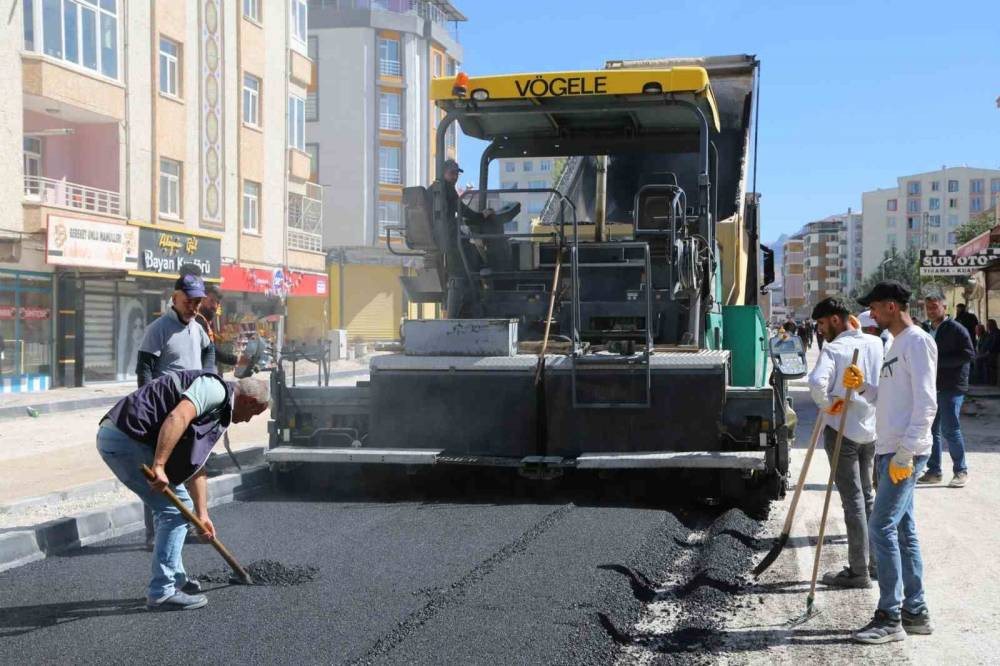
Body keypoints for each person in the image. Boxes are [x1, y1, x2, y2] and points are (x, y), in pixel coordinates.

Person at [96, 371, 269, 610]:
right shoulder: (215, 391)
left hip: (127, 437)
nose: (249, 420)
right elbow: (178, 416)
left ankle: (176, 579)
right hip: (127, 438)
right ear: (250, 402)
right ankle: (162, 592)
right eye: (254, 414)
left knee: (181, 508)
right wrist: (158, 465)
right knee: (175, 512)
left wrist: (202, 515)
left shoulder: (218, 408)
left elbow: (194, 465)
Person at [851, 280, 937, 644]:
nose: (870, 314)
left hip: (904, 452)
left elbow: (927, 402)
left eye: (872, 307)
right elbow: (890, 398)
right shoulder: (893, 344)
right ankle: (915, 612)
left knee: (880, 527)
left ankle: (890, 617)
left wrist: (907, 453)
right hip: (891, 449)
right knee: (902, 530)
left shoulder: (917, 342)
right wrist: (863, 388)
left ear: (890, 306)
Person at [135, 269, 214, 549]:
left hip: (190, 409)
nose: (193, 306)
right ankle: (153, 535)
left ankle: (196, 524)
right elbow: (144, 368)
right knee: (159, 475)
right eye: (188, 300)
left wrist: (209, 376)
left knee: (193, 466)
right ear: (175, 297)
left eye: (197, 301)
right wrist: (148, 406)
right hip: (164, 412)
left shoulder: (198, 327)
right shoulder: (158, 329)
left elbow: (208, 350)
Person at [808, 297, 884, 588]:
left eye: (822, 323)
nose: (821, 330)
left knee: (853, 501)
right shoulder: (877, 344)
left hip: (842, 431)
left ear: (836, 320)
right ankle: (876, 564)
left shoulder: (834, 348)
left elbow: (816, 383)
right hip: (871, 430)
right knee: (868, 497)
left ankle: (858, 571)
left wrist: (827, 405)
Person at [917, 293, 974, 488]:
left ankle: (961, 471)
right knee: (932, 430)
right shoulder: (925, 329)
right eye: (928, 308)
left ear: (944, 307)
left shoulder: (956, 329)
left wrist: (939, 363)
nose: (931, 311)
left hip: (952, 386)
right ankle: (934, 471)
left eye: (935, 307)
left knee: (950, 429)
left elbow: (968, 354)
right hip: (931, 387)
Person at [428, 159, 496, 318]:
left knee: (465, 250)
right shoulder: (448, 190)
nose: (455, 177)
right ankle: (479, 291)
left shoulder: (432, 189)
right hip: (450, 237)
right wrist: (482, 215)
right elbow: (463, 210)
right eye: (452, 173)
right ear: (443, 173)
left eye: (457, 174)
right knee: (474, 258)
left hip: (441, 235)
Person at [195, 284, 239, 371]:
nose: (215, 306)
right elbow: (210, 350)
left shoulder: (205, 321)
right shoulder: (198, 322)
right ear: (202, 299)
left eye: (217, 302)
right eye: (211, 301)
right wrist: (236, 360)